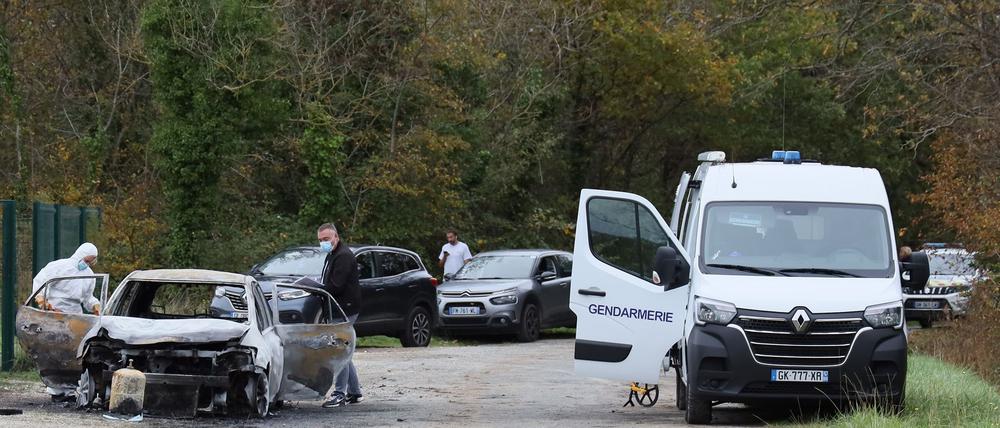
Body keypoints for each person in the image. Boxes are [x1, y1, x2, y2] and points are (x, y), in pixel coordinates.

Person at [31, 242, 101, 402]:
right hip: (54, 312)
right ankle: (56, 391)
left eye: (91, 261)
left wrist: (95, 305)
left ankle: (70, 390)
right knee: (56, 351)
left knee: (74, 353)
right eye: (87, 260)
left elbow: (87, 298)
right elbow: (40, 281)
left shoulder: (89, 275)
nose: (87, 264)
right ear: (80, 255)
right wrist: (41, 298)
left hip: (75, 315)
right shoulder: (59, 267)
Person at [317, 223, 364, 408]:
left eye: (326, 239)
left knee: (340, 352)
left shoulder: (343, 256)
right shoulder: (333, 254)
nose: (323, 243)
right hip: (340, 308)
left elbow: (336, 286)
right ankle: (354, 392)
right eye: (320, 240)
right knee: (344, 352)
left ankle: (339, 394)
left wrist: (318, 289)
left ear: (336, 237)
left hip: (344, 309)